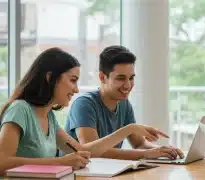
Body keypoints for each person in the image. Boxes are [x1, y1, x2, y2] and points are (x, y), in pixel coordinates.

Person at [0, 47, 168, 175]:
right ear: (50, 78)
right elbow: (2, 162)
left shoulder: (49, 116)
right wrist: (60, 163)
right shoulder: (20, 110)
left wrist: (130, 129)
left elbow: (84, 151)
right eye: (73, 80)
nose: (76, 89)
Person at [64, 45, 184, 160]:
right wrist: (146, 153)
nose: (127, 85)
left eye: (131, 78)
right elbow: (92, 153)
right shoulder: (84, 104)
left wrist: (165, 150)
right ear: (102, 77)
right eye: (120, 78)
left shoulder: (124, 104)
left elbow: (139, 144)